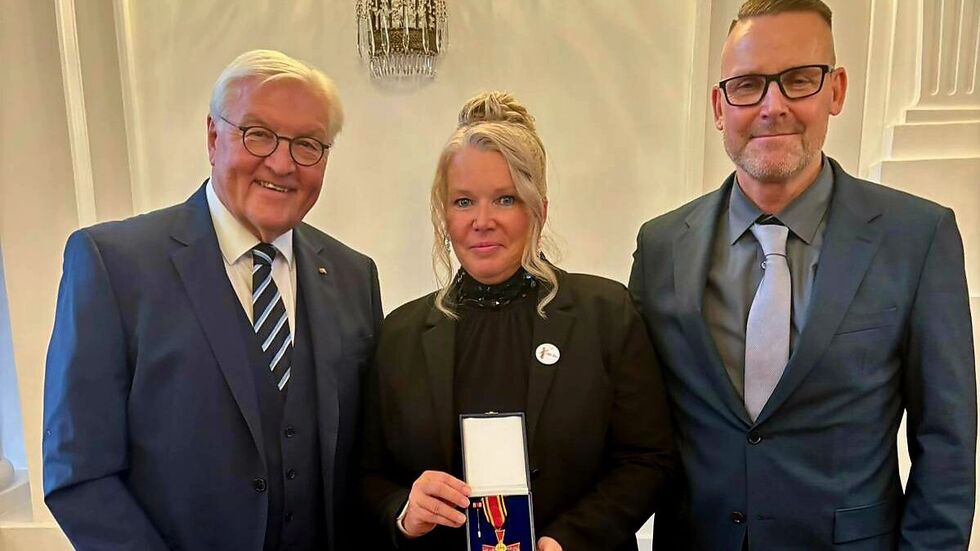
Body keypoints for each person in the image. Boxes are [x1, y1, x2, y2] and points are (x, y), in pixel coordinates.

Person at [629, 1, 977, 549]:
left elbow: (947, 441)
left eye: (798, 80)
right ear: (719, 106)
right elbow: (634, 424)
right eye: (747, 85)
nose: (773, 107)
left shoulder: (917, 237)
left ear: (835, 90)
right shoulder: (661, 246)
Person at [43, 49, 382, 551]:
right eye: (258, 134)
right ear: (212, 136)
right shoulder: (113, 265)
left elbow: (362, 458)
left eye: (308, 144)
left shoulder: (355, 275)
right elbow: (79, 473)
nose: (283, 163)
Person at [358, 91, 678, 551]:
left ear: (539, 209)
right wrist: (404, 510)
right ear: (443, 215)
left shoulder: (605, 314)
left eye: (505, 199)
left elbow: (649, 461)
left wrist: (568, 540)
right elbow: (367, 476)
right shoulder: (401, 334)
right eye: (463, 202)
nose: (481, 221)